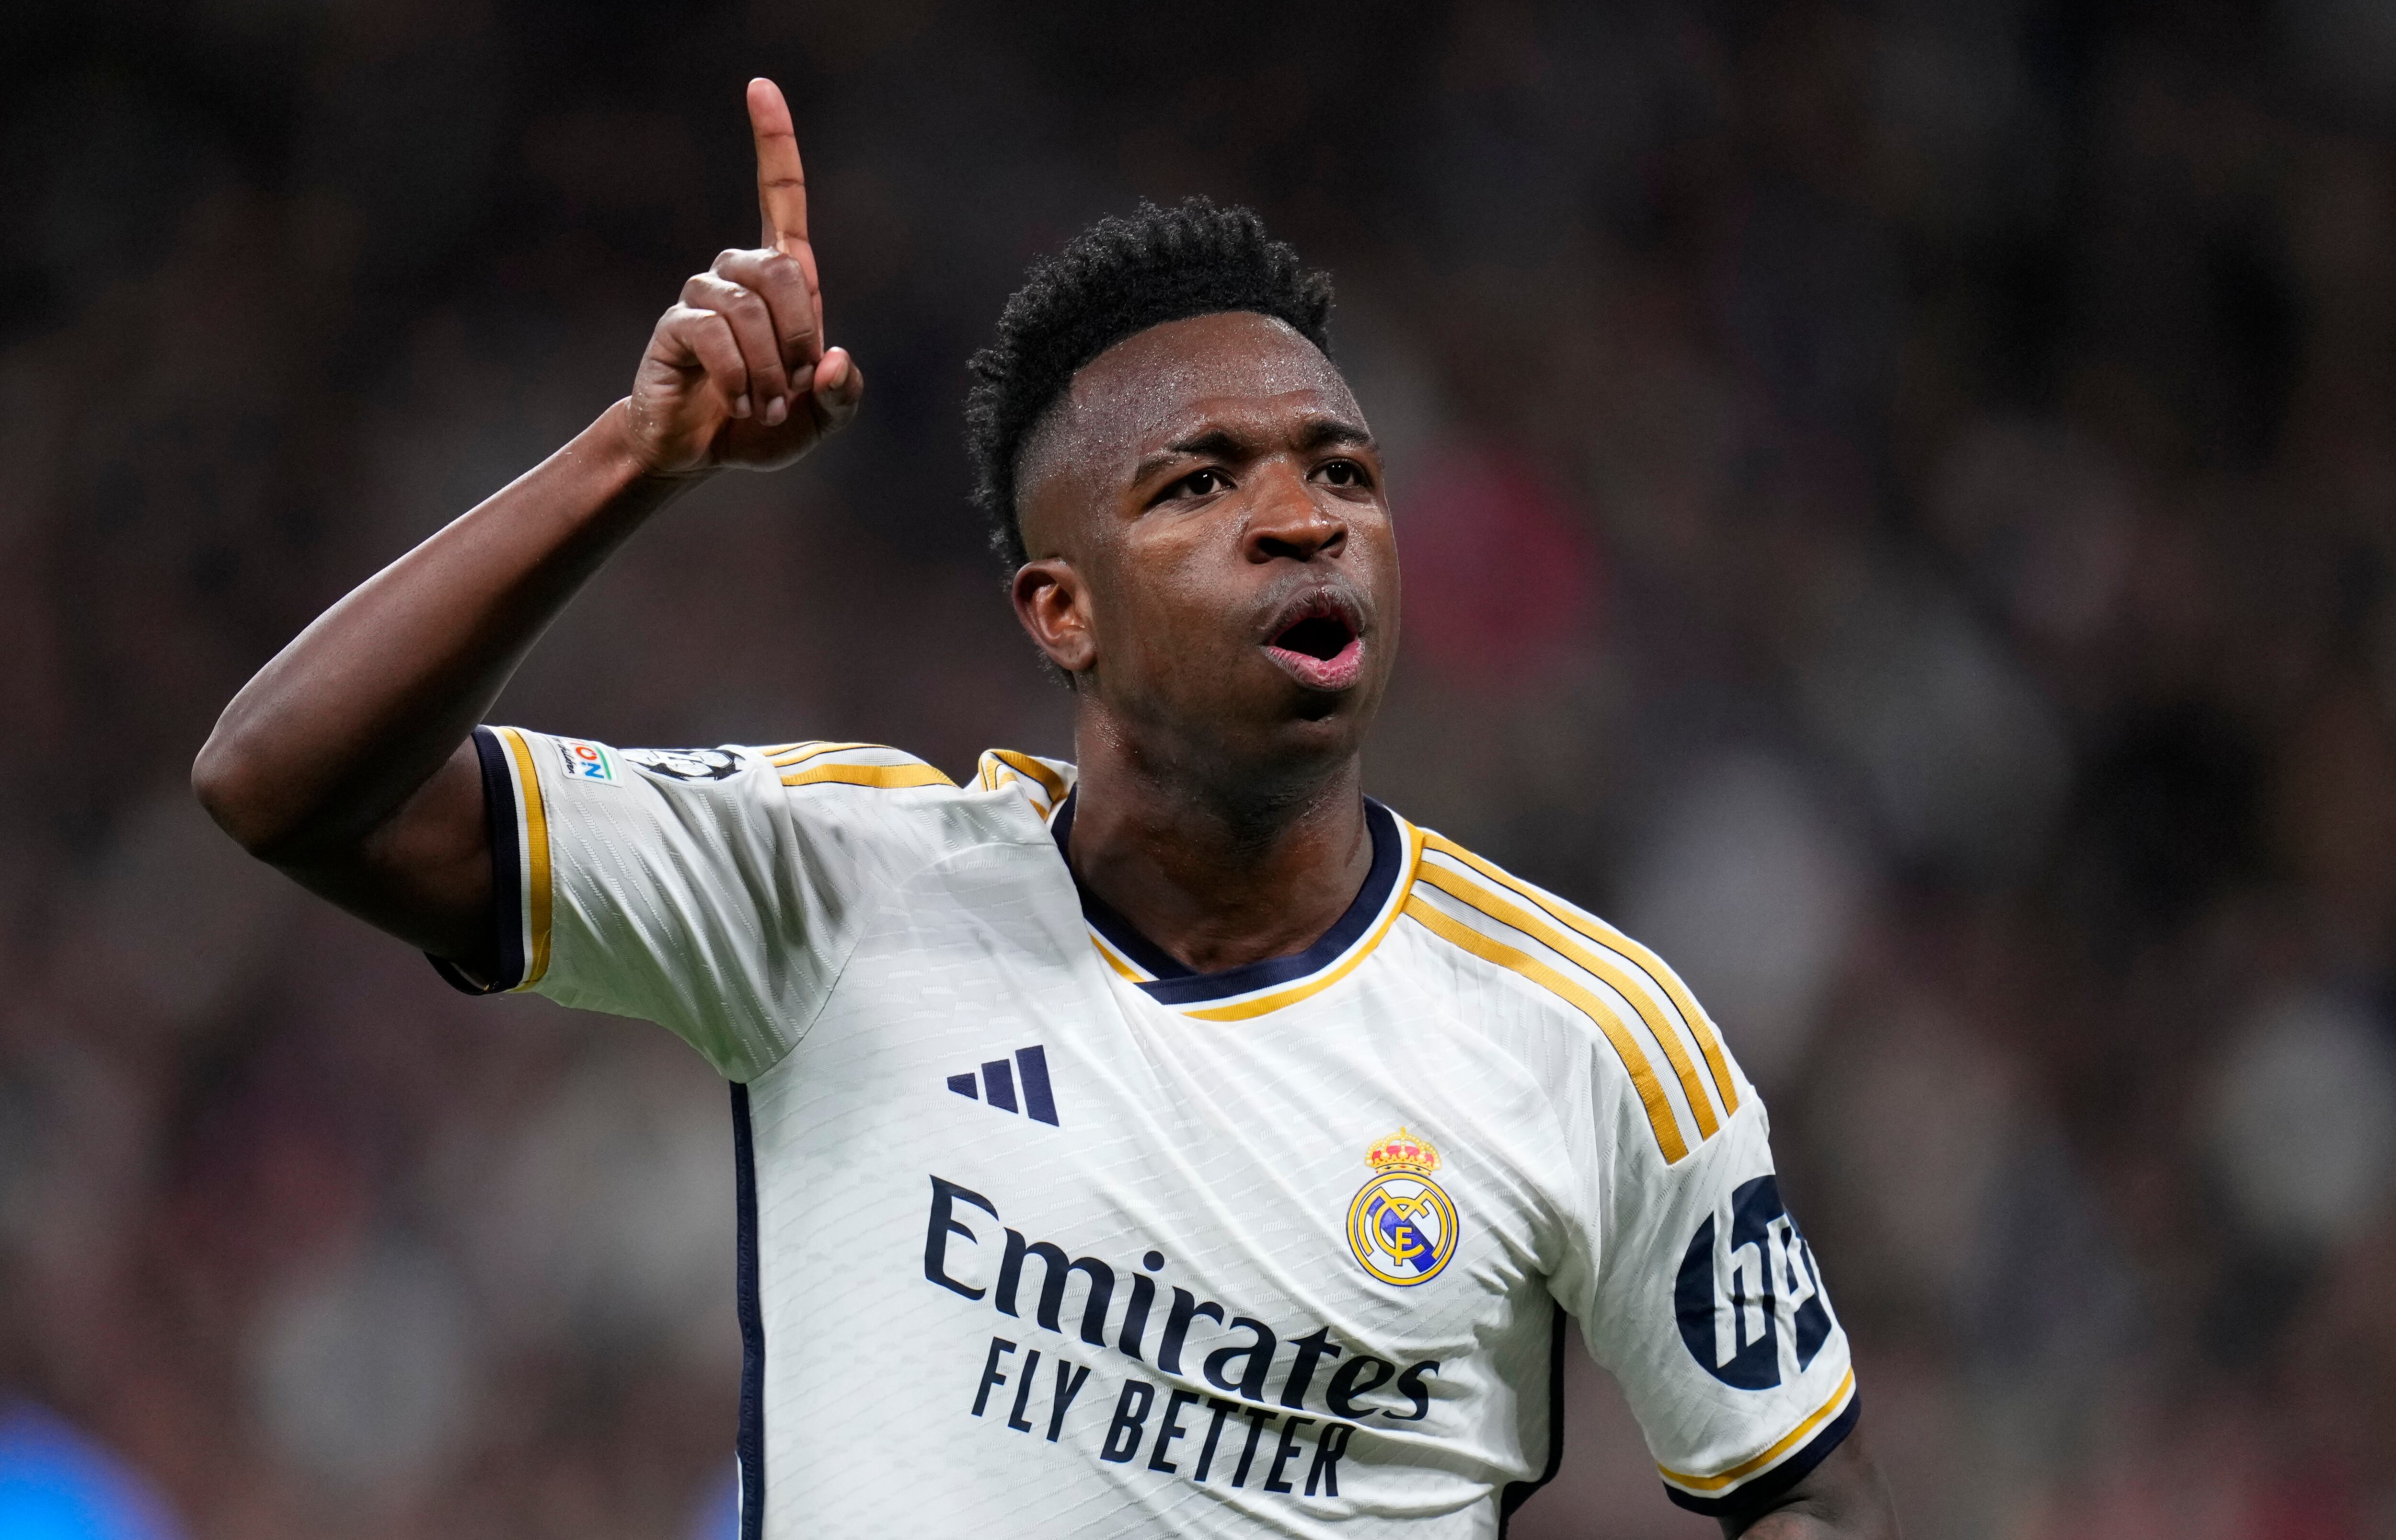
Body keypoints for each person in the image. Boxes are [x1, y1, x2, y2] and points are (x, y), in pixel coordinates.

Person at [194, 78, 1899, 1540]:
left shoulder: (1593, 1042)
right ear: (1057, 610)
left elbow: (1795, 1490)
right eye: (1201, 481)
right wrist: (633, 464)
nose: (1305, 518)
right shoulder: (841, 885)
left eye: (1346, 471)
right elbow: (286, 784)